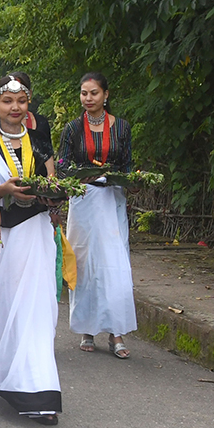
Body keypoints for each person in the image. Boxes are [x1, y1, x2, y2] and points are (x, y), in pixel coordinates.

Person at [0, 74, 62, 424]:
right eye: (8, 101)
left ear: (29, 103)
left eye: (22, 101)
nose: (15, 108)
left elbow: (51, 181)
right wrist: (4, 190)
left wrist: (52, 195)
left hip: (34, 230)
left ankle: (35, 389)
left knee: (33, 306)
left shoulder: (38, 141)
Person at [59, 72, 136, 358]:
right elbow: (63, 164)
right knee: (85, 262)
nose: (88, 99)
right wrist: (82, 177)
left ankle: (117, 332)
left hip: (111, 199)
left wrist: (128, 180)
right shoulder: (72, 129)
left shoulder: (122, 128)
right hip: (84, 200)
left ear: (106, 95)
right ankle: (87, 329)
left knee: (115, 263)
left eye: (93, 93)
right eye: (83, 93)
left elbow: (128, 165)